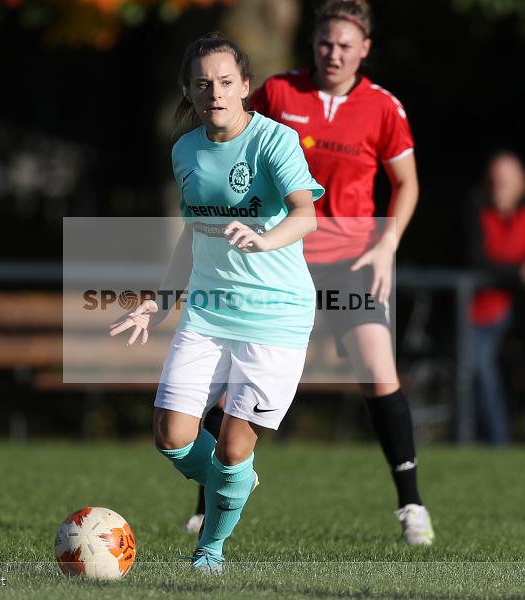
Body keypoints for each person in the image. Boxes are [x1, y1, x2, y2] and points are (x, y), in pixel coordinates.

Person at [110, 32, 323, 573]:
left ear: (245, 86)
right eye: (203, 83)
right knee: (171, 436)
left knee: (230, 448)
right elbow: (193, 234)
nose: (215, 92)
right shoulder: (184, 150)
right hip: (207, 311)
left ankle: (209, 550)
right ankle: (236, 481)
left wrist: (264, 238)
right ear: (189, 89)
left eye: (226, 82)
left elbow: (305, 214)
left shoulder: (275, 142)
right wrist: (156, 303)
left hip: (274, 315)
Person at [244, 0, 433, 544]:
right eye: (326, 42)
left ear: (364, 49)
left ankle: (411, 506)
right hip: (285, 257)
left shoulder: (383, 108)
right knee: (250, 373)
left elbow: (408, 184)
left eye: (346, 45)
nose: (334, 53)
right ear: (314, 43)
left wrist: (386, 244)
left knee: (379, 371)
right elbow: (241, 154)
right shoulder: (279, 93)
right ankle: (208, 502)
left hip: (352, 259)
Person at [467, 151, 525, 446]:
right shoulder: (476, 210)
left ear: (522, 184)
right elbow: (477, 259)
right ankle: (497, 441)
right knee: (480, 369)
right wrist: (520, 272)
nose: (500, 185)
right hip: (483, 311)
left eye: (507, 180)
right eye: (495, 180)